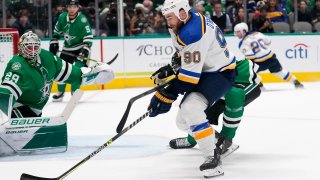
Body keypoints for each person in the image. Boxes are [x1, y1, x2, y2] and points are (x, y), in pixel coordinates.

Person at [148, 0, 237, 178]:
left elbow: (188, 80)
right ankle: (219, 140)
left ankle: (213, 158)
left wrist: (166, 94)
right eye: (166, 17)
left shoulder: (193, 32)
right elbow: (185, 54)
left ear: (182, 12)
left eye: (170, 17)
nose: (168, 21)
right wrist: (173, 67)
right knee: (182, 122)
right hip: (205, 70)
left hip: (221, 73)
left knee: (190, 108)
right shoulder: (187, 20)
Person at [0, 31, 114, 118]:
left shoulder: (48, 58)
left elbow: (74, 74)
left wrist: (92, 73)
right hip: (17, 108)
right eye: (29, 47)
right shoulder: (18, 65)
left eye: (36, 47)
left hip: (35, 112)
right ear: (21, 48)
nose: (33, 51)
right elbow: (6, 95)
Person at [169, 59, 262, 156]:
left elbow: (235, 94)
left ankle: (226, 140)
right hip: (217, 81)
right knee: (196, 112)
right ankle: (192, 139)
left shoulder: (212, 67)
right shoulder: (195, 64)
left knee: (233, 96)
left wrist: (227, 136)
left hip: (243, 82)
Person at [234, 22, 303, 88]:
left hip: (260, 62)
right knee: (279, 72)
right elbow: (268, 41)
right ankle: (295, 82)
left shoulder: (243, 43)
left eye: (238, 32)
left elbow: (250, 57)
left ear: (243, 31)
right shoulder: (257, 33)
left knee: (246, 71)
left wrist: (245, 66)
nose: (236, 34)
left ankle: (259, 85)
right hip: (271, 57)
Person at [49, 0, 93, 102]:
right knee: (61, 69)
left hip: (81, 48)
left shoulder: (82, 20)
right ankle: (60, 92)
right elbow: (57, 31)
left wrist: (85, 49)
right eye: (70, 7)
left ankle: (74, 92)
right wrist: (54, 41)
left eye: (74, 7)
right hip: (67, 48)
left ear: (78, 8)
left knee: (77, 71)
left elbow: (88, 36)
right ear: (67, 8)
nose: (72, 9)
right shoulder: (62, 17)